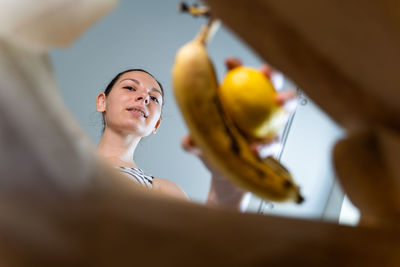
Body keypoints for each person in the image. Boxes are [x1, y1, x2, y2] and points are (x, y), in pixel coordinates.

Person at [96, 58, 296, 210]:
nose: (143, 98)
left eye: (154, 98)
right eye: (130, 87)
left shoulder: (162, 190)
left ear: (156, 124)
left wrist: (227, 183)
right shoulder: (64, 154)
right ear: (102, 102)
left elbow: (205, 245)